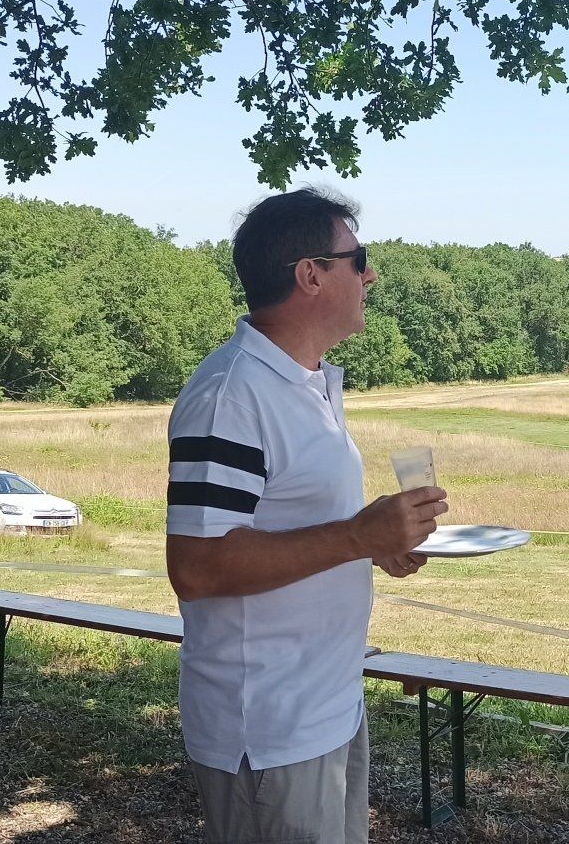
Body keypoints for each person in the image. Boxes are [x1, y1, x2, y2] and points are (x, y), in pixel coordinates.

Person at [165, 188, 445, 844]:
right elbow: (196, 567)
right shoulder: (233, 395)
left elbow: (287, 525)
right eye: (359, 259)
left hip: (327, 705)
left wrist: (371, 544)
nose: (370, 275)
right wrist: (355, 534)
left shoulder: (306, 382)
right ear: (310, 275)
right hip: (269, 727)